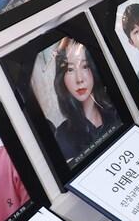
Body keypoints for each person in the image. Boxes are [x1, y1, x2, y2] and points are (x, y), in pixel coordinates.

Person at [30, 37, 122, 167]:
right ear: (62, 77)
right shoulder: (63, 137)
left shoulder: (117, 111)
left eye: (85, 66)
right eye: (70, 69)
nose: (79, 79)